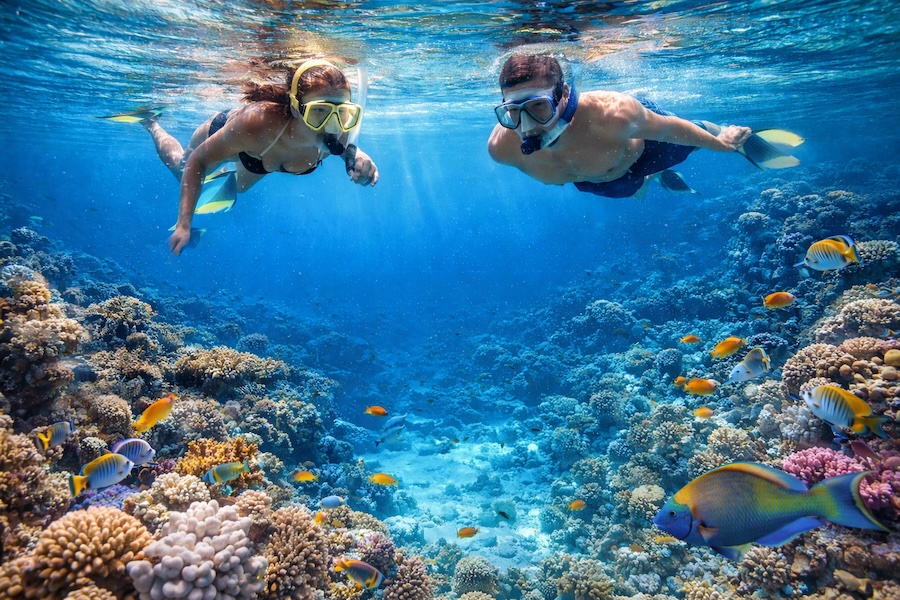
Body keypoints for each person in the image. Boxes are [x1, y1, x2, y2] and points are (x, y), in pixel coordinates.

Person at [130, 59, 379, 255]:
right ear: (295, 107)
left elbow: (348, 147)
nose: (331, 126)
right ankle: (150, 122)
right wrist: (184, 222)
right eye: (318, 112)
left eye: (343, 113)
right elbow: (199, 160)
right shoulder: (256, 123)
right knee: (183, 168)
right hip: (234, 133)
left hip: (261, 159)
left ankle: (219, 178)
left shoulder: (339, 128)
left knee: (232, 191)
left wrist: (360, 158)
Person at [487, 54, 801, 199]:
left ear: (563, 95)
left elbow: (671, 130)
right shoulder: (502, 148)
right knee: (630, 189)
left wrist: (723, 144)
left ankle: (723, 129)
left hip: (644, 150)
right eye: (513, 111)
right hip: (604, 184)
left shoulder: (613, 115)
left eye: (538, 107)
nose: (526, 127)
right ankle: (652, 179)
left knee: (690, 132)